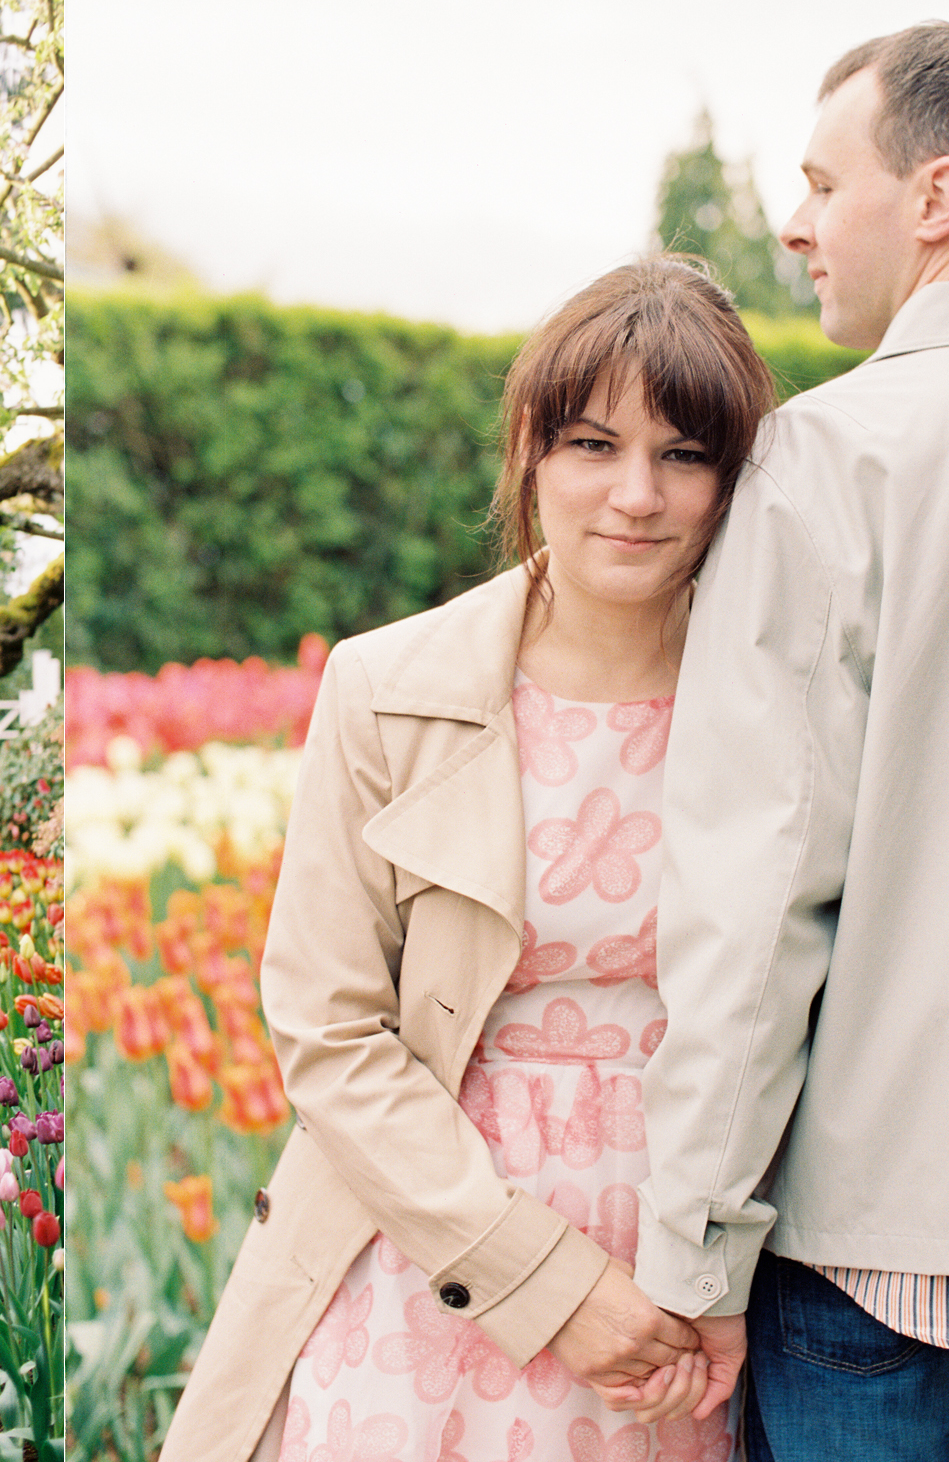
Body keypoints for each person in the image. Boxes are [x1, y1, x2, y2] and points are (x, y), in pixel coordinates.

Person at [156, 258, 776, 1461]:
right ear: (531, 455)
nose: (635, 495)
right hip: (433, 1246)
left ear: (730, 479)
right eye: (593, 445)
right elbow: (329, 1032)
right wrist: (547, 1285)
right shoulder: (390, 688)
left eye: (684, 454)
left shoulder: (776, 704)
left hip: (690, 1283)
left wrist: (698, 1280)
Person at [625, 22, 949, 1459]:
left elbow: (755, 898)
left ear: (934, 197)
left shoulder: (833, 454)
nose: (794, 222)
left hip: (872, 1247)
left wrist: (690, 1256)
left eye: (823, 182)